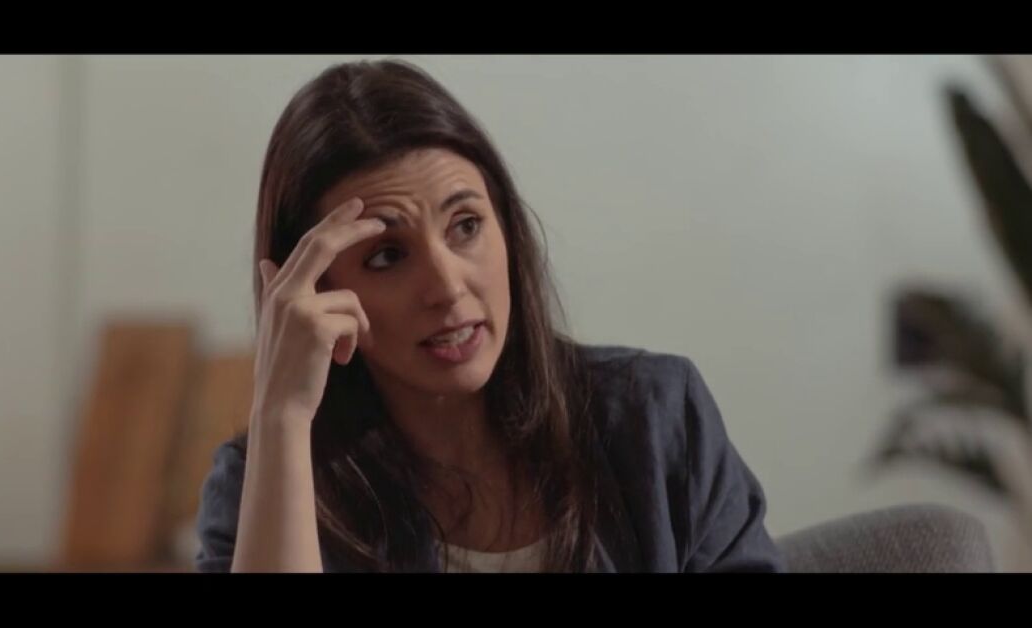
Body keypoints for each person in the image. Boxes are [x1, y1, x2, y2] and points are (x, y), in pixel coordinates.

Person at [195, 59, 785, 573]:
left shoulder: (655, 419)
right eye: (387, 256)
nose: (448, 287)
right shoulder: (264, 482)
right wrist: (281, 415)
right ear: (318, 292)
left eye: (466, 226)